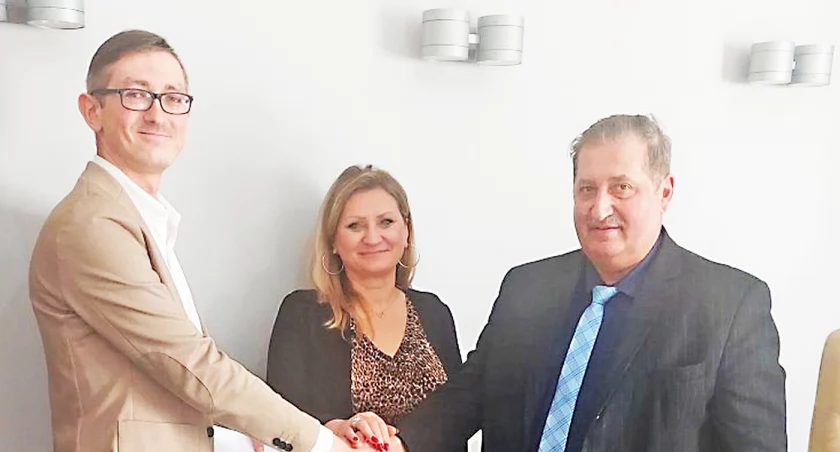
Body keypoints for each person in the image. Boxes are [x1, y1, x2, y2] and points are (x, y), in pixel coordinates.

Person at [28, 29, 368, 452]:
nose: (157, 115)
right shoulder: (91, 225)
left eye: (173, 98)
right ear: (92, 110)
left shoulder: (139, 219)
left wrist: (273, 438)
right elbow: (191, 367)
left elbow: (174, 401)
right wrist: (321, 444)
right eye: (136, 95)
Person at [388, 114, 788, 451]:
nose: (600, 208)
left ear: (664, 192)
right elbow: (469, 394)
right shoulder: (526, 287)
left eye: (622, 188)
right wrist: (392, 443)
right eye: (587, 189)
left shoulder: (730, 306)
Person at [265, 165, 465, 452]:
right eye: (355, 226)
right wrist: (335, 428)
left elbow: (457, 417)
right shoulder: (302, 313)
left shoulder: (434, 312)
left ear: (406, 232)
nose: (372, 238)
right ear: (333, 241)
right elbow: (281, 421)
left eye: (386, 222)